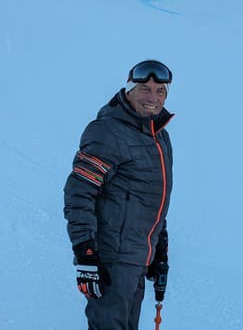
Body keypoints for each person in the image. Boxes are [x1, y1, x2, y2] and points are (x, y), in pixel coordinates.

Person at [64, 60, 175, 330]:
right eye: (145, 89)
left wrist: (158, 248)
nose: (153, 97)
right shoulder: (108, 131)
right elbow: (79, 193)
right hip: (111, 259)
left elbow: (149, 199)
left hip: (136, 258)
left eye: (160, 91)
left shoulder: (159, 136)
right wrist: (85, 253)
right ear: (129, 90)